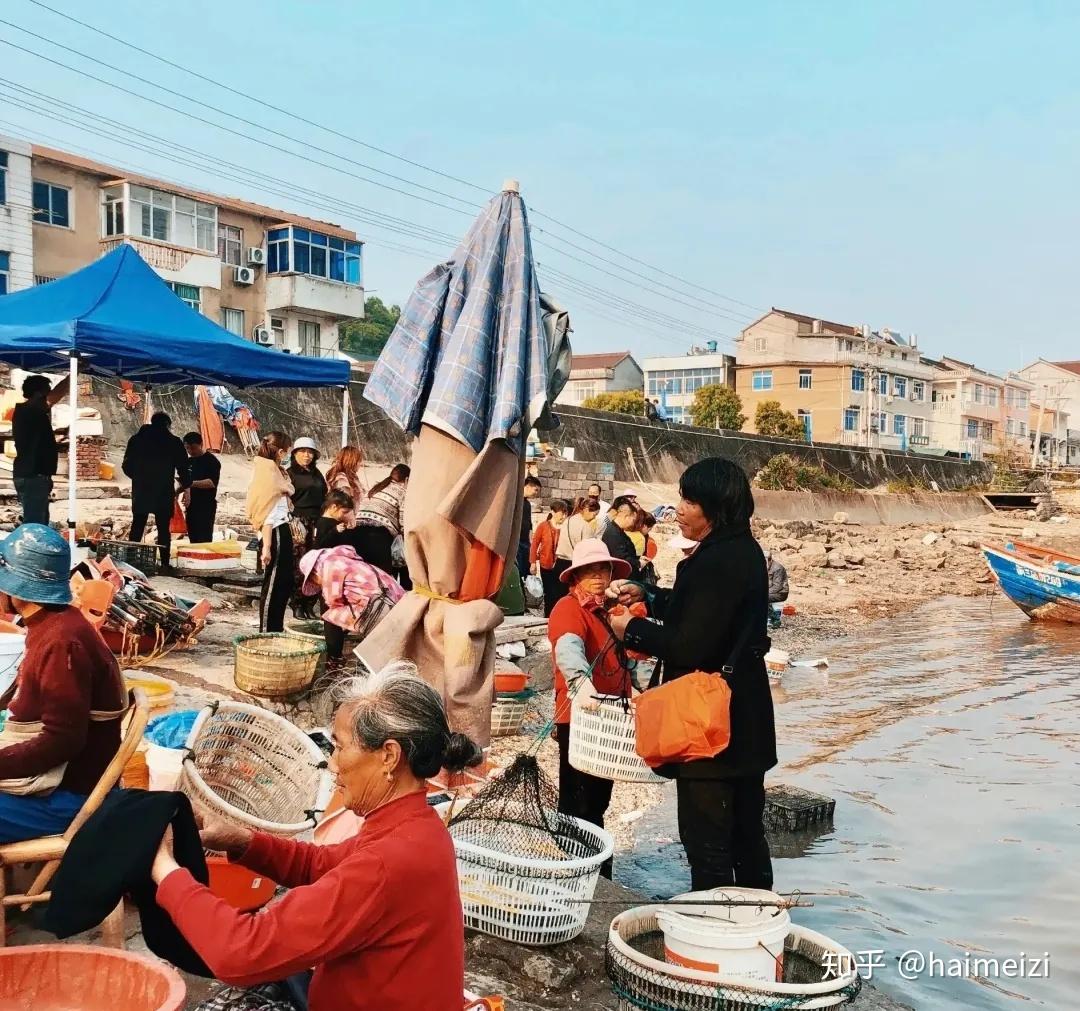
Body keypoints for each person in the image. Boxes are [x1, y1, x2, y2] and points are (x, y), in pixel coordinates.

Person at [150, 664, 480, 1011]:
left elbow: (242, 951)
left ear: (389, 756)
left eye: (340, 747)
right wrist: (241, 840)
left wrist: (165, 871)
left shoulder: (387, 863)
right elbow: (323, 864)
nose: (332, 764)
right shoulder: (418, 826)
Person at [608, 458, 776, 892]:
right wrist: (649, 595)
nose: (679, 509)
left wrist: (632, 629)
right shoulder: (740, 550)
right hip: (745, 715)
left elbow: (690, 645)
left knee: (708, 842)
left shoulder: (718, 560)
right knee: (746, 836)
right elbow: (705, 614)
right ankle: (758, 915)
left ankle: (713, 922)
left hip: (712, 724)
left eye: (690, 502)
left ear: (716, 508)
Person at [0, 525, 126, 843]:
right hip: (60, 784)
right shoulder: (52, 624)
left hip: (69, 798)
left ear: (18, 587)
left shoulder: (63, 642)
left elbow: (63, 740)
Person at [548, 539, 634, 880]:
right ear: (575, 576)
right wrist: (580, 682)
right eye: (590, 571)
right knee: (576, 801)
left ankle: (597, 873)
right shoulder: (568, 608)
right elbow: (568, 647)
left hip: (608, 720)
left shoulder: (609, 612)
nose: (598, 576)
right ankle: (573, 873)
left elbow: (631, 659)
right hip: (580, 717)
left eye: (603, 569)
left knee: (598, 801)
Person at [299, 545, 405, 670]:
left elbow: (333, 601)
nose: (317, 583)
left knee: (329, 616)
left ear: (314, 573)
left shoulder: (330, 565)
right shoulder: (349, 561)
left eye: (313, 580)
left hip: (377, 607)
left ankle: (334, 661)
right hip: (398, 604)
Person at [122, 412, 191, 574]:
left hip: (141, 489)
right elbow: (183, 467)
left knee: (138, 525)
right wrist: (186, 485)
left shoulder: (136, 440)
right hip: (163, 490)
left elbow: (126, 466)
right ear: (167, 425)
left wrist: (138, 477)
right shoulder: (173, 442)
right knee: (163, 528)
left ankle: (131, 562)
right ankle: (165, 564)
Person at [246, 432, 295, 633]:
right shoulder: (267, 472)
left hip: (280, 529)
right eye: (288, 452)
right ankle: (267, 628)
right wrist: (266, 546)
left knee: (283, 582)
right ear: (281, 452)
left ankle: (276, 626)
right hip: (274, 532)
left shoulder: (273, 470)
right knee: (274, 582)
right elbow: (268, 513)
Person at [12, 373, 69, 527]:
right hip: (33, 476)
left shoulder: (28, 411)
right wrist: (73, 375)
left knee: (40, 522)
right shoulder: (29, 411)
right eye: (46, 393)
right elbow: (53, 398)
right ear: (38, 394)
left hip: (33, 475)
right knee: (34, 525)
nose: (47, 399)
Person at [287, 438, 328, 620]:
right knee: (298, 564)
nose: (306, 455)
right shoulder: (289, 474)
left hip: (316, 522)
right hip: (297, 522)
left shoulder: (317, 474)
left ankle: (309, 604)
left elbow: (324, 497)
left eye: (310, 452)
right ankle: (296, 603)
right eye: (302, 451)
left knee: (315, 564)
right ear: (295, 454)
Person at [352, 464, 411, 583]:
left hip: (358, 532)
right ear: (406, 479)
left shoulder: (377, 487)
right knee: (382, 577)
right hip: (379, 535)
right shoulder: (403, 492)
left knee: (365, 575)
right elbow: (403, 520)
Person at [529, 499, 568, 617]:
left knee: (560, 592)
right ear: (553, 512)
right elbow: (535, 544)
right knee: (549, 592)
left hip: (561, 565)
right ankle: (548, 616)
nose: (563, 516)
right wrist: (533, 562)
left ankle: (559, 615)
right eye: (561, 513)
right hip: (546, 564)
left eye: (565, 513)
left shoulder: (566, 527)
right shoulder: (543, 526)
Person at [554, 496, 601, 592]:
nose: (594, 518)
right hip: (574, 564)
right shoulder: (586, 527)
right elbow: (587, 551)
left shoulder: (568, 519)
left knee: (558, 593)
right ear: (586, 510)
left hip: (560, 562)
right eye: (594, 514)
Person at [182, 432, 221, 544]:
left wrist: (190, 483)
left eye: (193, 448)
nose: (190, 451)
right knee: (193, 539)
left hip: (205, 506)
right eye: (187, 448)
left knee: (204, 540)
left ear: (201, 444)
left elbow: (211, 483)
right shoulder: (189, 461)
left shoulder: (211, 461)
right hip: (191, 506)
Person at [601, 496, 642, 582]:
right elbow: (621, 558)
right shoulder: (613, 533)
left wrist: (639, 558)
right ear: (627, 517)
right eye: (633, 520)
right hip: (620, 579)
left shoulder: (618, 530)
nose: (633, 524)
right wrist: (639, 563)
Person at [516, 475, 542, 578]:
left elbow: (529, 523)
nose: (536, 493)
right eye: (536, 490)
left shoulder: (527, 504)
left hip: (525, 541)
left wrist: (530, 540)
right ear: (528, 486)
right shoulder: (515, 500)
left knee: (526, 570)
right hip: (516, 541)